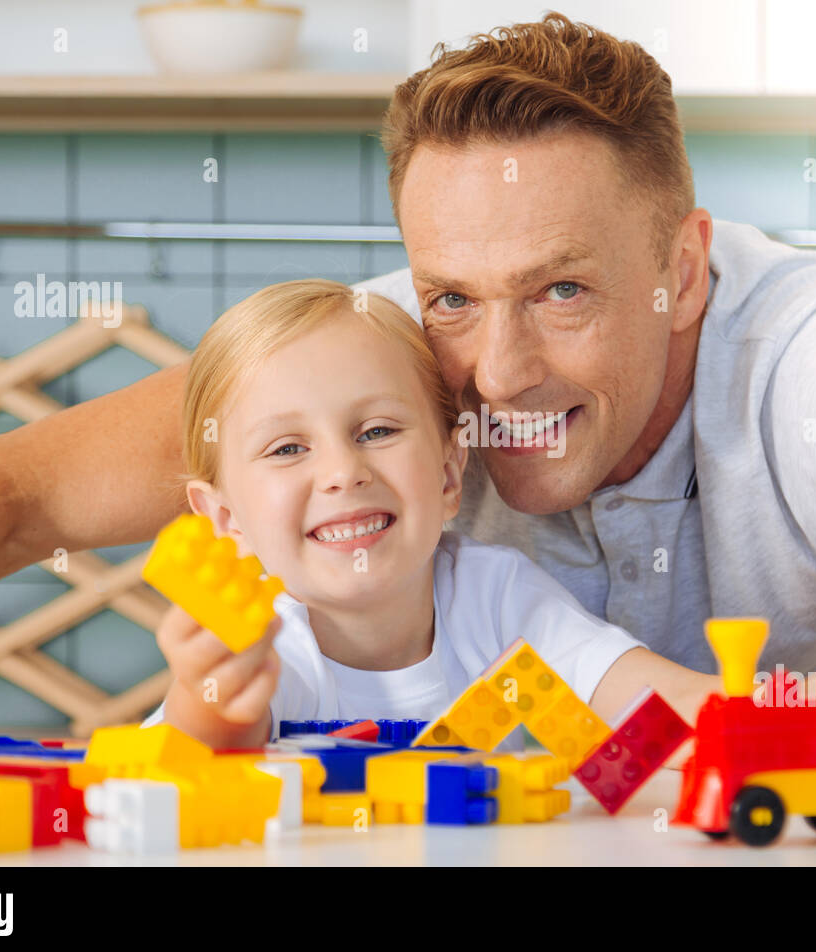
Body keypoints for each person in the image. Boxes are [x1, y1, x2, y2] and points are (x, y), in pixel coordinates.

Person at [0, 13, 816, 678]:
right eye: (454, 299)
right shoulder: (377, 362)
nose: (493, 372)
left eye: (561, 295)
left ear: (683, 271)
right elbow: (15, 492)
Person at [142, 279, 715, 749]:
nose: (343, 471)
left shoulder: (497, 599)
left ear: (447, 473)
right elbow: (205, 760)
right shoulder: (270, 646)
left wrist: (766, 709)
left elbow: (647, 700)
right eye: (288, 448)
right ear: (224, 521)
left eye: (378, 431)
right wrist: (212, 692)